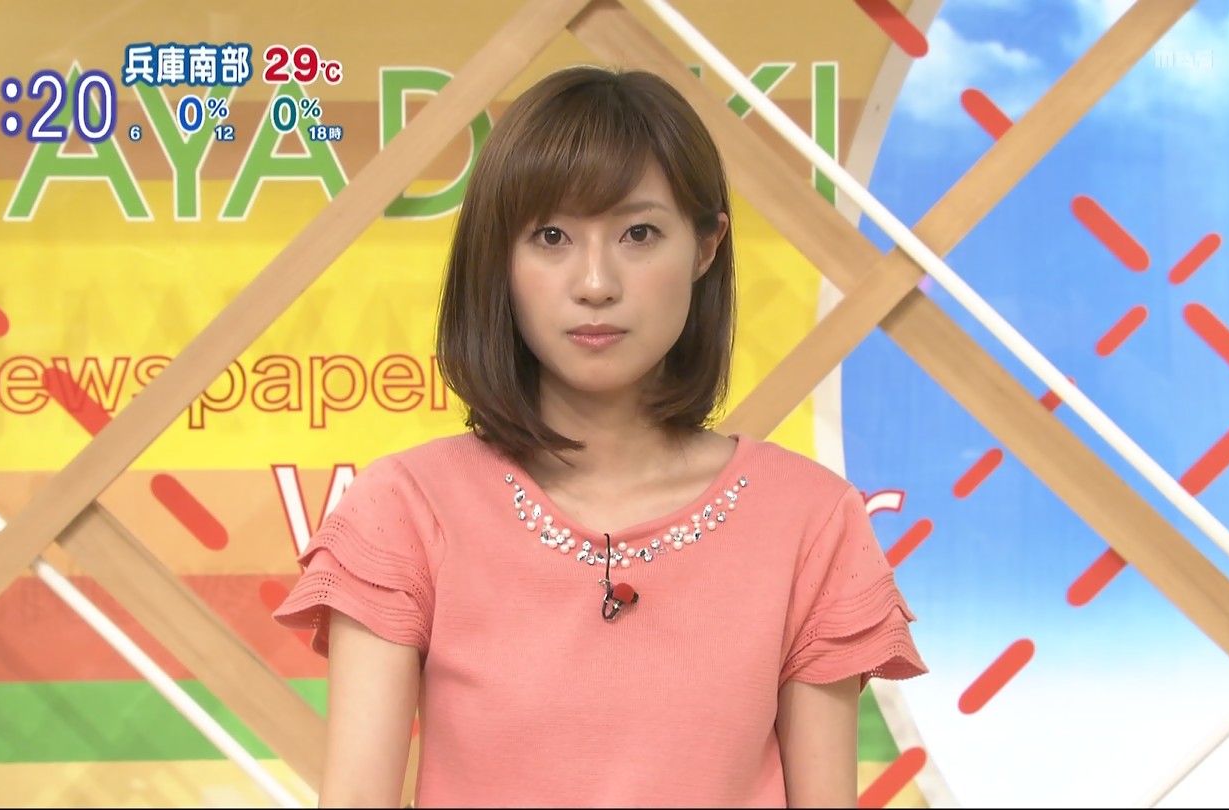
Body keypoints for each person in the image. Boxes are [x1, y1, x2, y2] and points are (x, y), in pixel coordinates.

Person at [273, 64, 927, 808]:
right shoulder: (403, 509)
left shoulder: (810, 520)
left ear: (706, 246)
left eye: (638, 234)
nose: (594, 283)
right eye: (551, 235)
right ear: (500, 257)